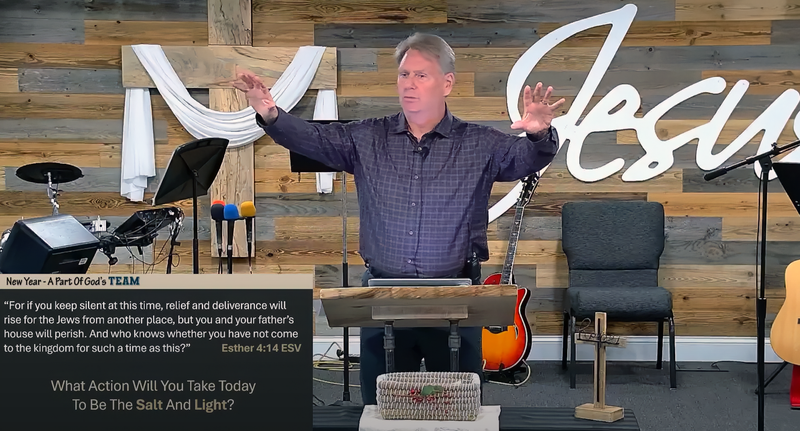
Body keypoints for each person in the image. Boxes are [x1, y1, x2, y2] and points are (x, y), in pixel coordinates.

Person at [234, 32, 563, 405]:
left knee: (459, 407)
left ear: (447, 83)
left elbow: (526, 160)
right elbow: (313, 139)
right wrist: (271, 114)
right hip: (382, 300)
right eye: (404, 75)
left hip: (457, 299)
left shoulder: (480, 143)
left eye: (421, 75)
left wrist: (540, 135)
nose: (409, 84)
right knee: (381, 407)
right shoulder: (366, 137)